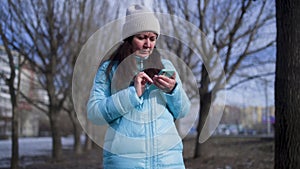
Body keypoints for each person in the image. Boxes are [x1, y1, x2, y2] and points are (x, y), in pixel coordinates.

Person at [87, 4, 191, 169]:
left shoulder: (165, 66)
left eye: (152, 38)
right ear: (129, 38)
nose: (148, 44)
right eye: (142, 37)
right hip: (125, 162)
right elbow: (94, 113)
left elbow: (183, 111)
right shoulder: (110, 69)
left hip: (169, 161)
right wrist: (132, 94)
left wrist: (173, 91)